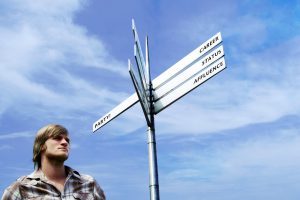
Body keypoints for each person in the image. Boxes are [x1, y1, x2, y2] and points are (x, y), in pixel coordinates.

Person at [1, 124, 106, 200]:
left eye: (67, 140)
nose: (65, 143)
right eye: (57, 138)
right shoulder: (21, 187)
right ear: (41, 146)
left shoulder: (88, 183)